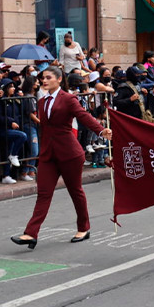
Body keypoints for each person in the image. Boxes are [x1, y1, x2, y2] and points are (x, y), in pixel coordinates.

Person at [12, 66, 111, 249]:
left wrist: (100, 130)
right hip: (48, 154)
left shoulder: (68, 99)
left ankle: (84, 228)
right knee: (43, 194)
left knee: (75, 191)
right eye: (42, 78)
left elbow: (83, 115)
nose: (44, 81)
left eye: (48, 77)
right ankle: (30, 233)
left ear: (58, 79)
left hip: (69, 153)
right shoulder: (41, 101)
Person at [0, 79, 28, 184]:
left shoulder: (15, 99)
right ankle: (13, 157)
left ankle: (7, 175)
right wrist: (10, 122)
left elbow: (21, 111)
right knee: (22, 136)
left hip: (14, 129)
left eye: (13, 86)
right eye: (10, 86)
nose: (13, 88)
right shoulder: (1, 100)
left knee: (9, 150)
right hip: (4, 129)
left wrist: (21, 98)